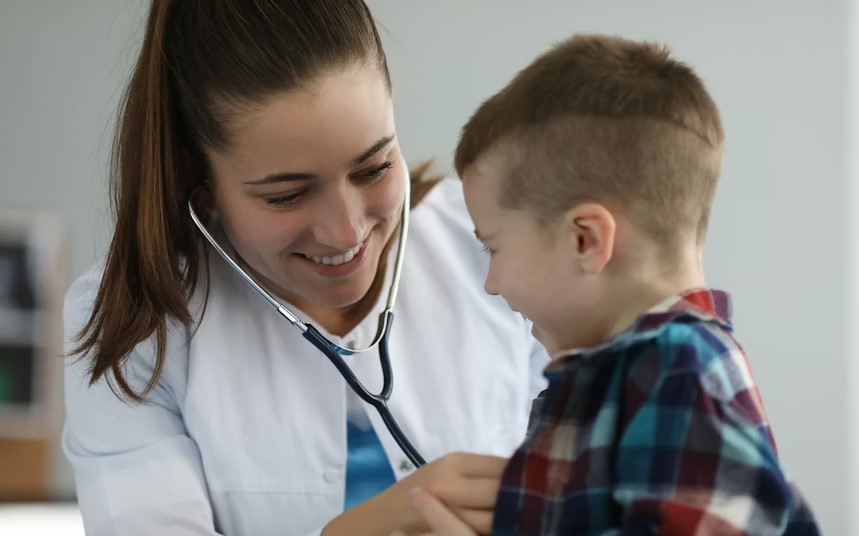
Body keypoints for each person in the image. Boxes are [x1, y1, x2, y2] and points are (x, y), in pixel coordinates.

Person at [61, 1, 548, 535]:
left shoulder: (500, 241)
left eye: (374, 168)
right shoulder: (133, 321)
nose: (346, 232)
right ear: (201, 180)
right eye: (287, 196)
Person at [403, 34, 820, 535]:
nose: (492, 284)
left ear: (585, 239)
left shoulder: (679, 367)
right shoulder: (626, 376)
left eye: (493, 248)